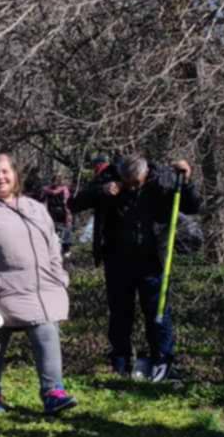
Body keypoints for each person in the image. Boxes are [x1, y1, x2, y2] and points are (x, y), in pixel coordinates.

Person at [0, 154, 76, 415]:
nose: (0, 177)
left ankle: (53, 392)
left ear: (15, 175)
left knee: (47, 334)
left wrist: (59, 277)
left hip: (42, 292)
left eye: (5, 172)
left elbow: (53, 245)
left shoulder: (35, 208)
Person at [70, 154, 201, 381]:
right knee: (120, 314)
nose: (131, 188)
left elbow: (193, 206)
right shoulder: (107, 178)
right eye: (127, 183)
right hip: (117, 260)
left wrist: (187, 181)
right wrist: (101, 191)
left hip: (153, 260)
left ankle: (162, 361)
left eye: (136, 183)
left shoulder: (163, 180)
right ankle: (120, 363)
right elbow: (75, 204)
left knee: (158, 313)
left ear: (145, 174)